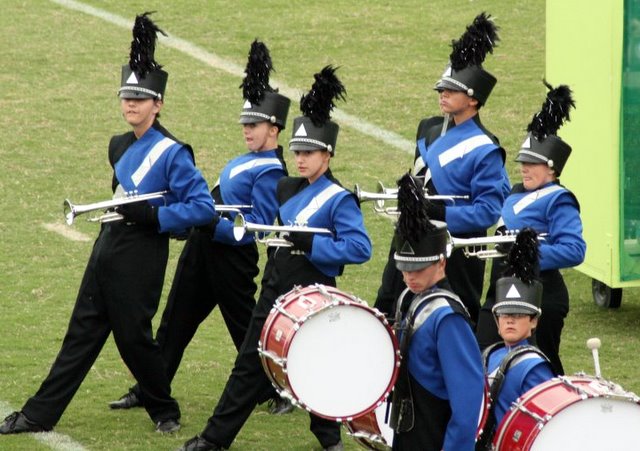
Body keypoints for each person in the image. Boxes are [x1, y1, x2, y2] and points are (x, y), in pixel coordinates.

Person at [0, 12, 215, 436]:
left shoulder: (174, 153)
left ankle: (164, 409)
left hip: (142, 254)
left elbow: (203, 209)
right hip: (107, 247)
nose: (130, 104)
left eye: (139, 98)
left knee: (134, 339)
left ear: (158, 104)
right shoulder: (118, 145)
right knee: (80, 333)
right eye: (125, 97)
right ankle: (39, 413)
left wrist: (156, 216)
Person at [178, 66, 372, 451]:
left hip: (315, 294)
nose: (300, 159)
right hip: (275, 289)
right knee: (249, 364)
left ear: (327, 154)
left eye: (309, 153)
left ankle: (328, 436)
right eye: (297, 152)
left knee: (317, 364)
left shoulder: (339, 199)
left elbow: (359, 248)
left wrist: (313, 245)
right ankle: (214, 439)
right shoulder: (285, 187)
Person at [108, 39, 294, 416]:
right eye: (244, 122)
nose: (246, 130)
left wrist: (210, 222)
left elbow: (252, 228)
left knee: (245, 328)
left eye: (253, 124)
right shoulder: (248, 158)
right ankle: (150, 387)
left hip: (231, 257)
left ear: (274, 128)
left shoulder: (274, 171)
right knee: (175, 321)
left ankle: (279, 391)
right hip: (203, 247)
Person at [375, 12, 510, 326]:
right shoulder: (428, 128)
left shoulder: (485, 147)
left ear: (473, 100)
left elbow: (488, 211)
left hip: (455, 254)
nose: (442, 94)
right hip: (410, 237)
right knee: (389, 310)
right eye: (441, 89)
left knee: (455, 319)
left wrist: (438, 211)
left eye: (451, 90)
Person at [475, 81, 586, 375]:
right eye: (523, 161)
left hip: (541, 294)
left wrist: (526, 253)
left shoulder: (559, 200)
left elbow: (574, 250)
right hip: (501, 289)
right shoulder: (514, 192)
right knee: (483, 356)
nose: (524, 167)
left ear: (552, 168)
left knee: (540, 368)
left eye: (532, 163)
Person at [389, 173, 485, 451]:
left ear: (441, 263)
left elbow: (467, 403)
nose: (409, 277)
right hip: (409, 431)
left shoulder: (448, 318)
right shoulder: (410, 298)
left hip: (433, 435)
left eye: (418, 269)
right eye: (405, 269)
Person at [475, 229, 555, 449]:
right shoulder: (492, 354)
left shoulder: (534, 367)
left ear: (533, 321)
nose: (510, 321)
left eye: (518, 315)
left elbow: (539, 423)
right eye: (505, 315)